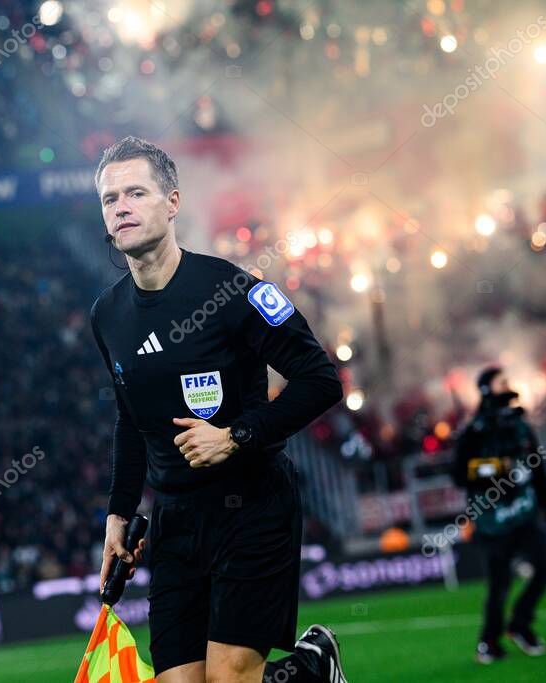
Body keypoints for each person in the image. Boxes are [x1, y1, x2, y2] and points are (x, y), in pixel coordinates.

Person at [90, 136, 348, 683]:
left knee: (229, 678)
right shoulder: (107, 315)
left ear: (173, 203)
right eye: (110, 199)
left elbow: (320, 379)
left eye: (136, 193)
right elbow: (130, 420)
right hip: (175, 521)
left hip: (252, 506)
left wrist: (235, 436)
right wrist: (118, 514)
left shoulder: (231, 290)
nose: (121, 207)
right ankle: (310, 670)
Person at [452, 366, 546, 665]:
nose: (507, 384)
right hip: (491, 521)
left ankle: (520, 624)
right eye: (501, 382)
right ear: (487, 389)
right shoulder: (473, 431)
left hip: (525, 513)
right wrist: (497, 468)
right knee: (500, 585)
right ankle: (489, 642)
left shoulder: (521, 425)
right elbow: (459, 474)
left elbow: (537, 468)